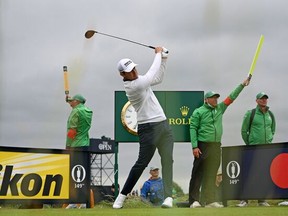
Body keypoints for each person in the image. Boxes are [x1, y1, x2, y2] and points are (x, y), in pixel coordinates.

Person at [113, 47, 174, 209]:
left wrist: (164, 60)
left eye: (133, 68)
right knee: (142, 163)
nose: (133, 72)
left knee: (168, 160)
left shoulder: (140, 80)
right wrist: (158, 54)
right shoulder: (134, 86)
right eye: (129, 71)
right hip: (148, 128)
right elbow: (152, 73)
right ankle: (121, 196)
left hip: (163, 124)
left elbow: (158, 78)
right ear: (122, 75)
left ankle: (168, 197)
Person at [189, 78, 250, 208]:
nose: (216, 99)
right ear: (206, 99)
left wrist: (242, 85)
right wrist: (194, 146)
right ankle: (193, 201)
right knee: (198, 173)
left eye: (216, 97)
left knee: (212, 174)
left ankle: (210, 201)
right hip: (202, 145)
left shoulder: (220, 108)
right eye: (213, 97)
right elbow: (193, 128)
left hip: (216, 146)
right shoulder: (198, 111)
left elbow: (231, 97)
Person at [237, 92, 276, 207]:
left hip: (266, 149)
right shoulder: (251, 113)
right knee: (249, 174)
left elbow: (272, 129)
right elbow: (244, 131)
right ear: (257, 101)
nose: (264, 100)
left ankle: (262, 200)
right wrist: (250, 144)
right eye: (261, 99)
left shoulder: (271, 114)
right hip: (253, 148)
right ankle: (244, 200)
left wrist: (269, 141)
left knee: (263, 175)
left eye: (265, 99)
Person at [65, 94, 93, 209]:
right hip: (85, 144)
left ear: (76, 102)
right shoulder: (87, 111)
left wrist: (68, 145)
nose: (70, 103)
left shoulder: (75, 112)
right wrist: (68, 99)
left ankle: (75, 202)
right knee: (84, 175)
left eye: (72, 101)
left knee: (74, 174)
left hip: (75, 145)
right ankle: (83, 202)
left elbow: (72, 130)